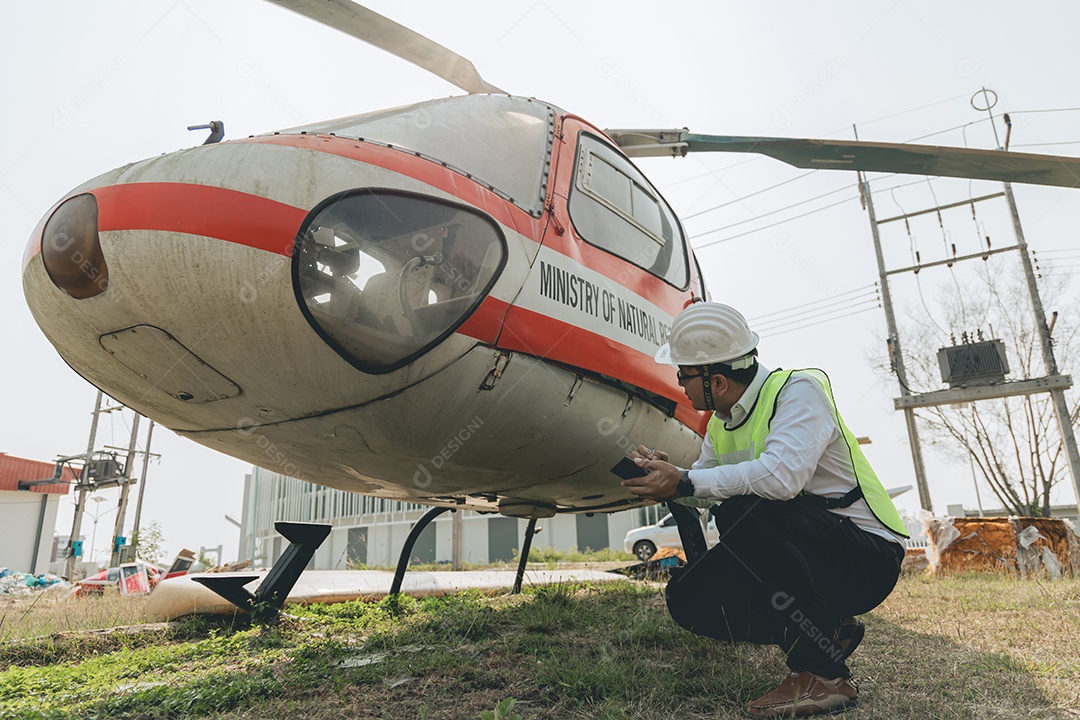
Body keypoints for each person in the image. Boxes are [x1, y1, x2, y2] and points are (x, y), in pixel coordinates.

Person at [621, 302, 907, 718]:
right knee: (689, 599)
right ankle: (826, 632)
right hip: (812, 557)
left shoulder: (798, 392)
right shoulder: (720, 423)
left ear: (715, 380)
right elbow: (702, 484)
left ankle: (823, 675)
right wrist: (668, 476)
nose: (680, 384)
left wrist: (685, 480)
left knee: (741, 512)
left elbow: (780, 480)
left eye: (683, 375)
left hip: (868, 559)